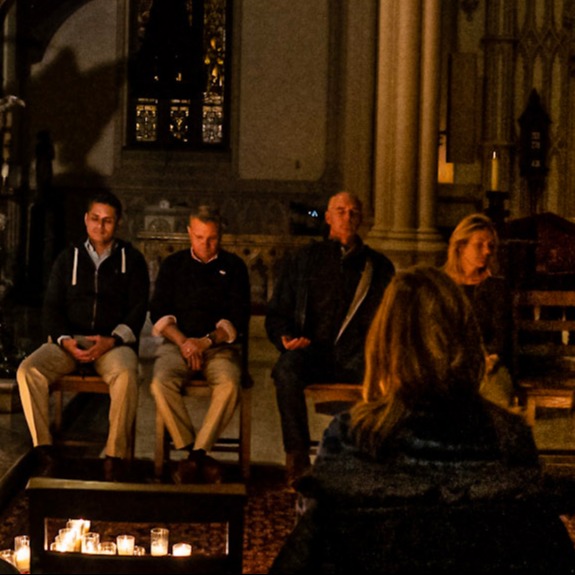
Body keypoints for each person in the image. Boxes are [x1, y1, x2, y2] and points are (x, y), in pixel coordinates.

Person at [270, 266, 575, 574]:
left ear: (385, 343)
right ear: (467, 338)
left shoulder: (353, 435)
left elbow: (312, 550)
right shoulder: (509, 435)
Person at [17, 190, 150, 481]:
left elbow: (139, 308)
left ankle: (113, 456)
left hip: (112, 343)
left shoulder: (132, 259)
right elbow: (51, 305)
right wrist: (65, 339)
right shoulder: (68, 257)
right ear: (85, 219)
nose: (100, 226)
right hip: (69, 341)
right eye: (95, 219)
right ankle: (45, 449)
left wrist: (112, 340)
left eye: (108, 221)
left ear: (118, 223)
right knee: (28, 371)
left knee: (127, 375)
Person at [265, 191, 395, 485]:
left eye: (352, 212)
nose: (346, 217)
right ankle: (297, 456)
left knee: (390, 379)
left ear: (360, 219)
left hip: (359, 355)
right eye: (340, 211)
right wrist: (285, 339)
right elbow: (278, 312)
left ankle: (370, 459)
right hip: (314, 351)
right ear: (327, 217)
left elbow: (391, 319)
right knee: (286, 369)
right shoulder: (304, 260)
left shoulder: (379, 267)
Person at [149, 205, 251, 484]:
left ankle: (193, 459)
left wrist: (204, 343)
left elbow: (238, 318)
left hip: (218, 348)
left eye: (212, 238)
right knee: (159, 383)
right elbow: (158, 312)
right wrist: (185, 343)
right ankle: (197, 453)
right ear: (189, 234)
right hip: (178, 346)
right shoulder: (173, 265)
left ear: (220, 236)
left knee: (230, 385)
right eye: (199, 237)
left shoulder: (234, 267)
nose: (205, 245)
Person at [443, 212, 514, 409]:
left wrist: (489, 360)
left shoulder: (496, 288)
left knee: (496, 400)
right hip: (449, 364)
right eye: (479, 244)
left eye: (491, 245)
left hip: (488, 365)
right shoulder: (441, 284)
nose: (487, 251)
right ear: (461, 246)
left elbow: (502, 333)